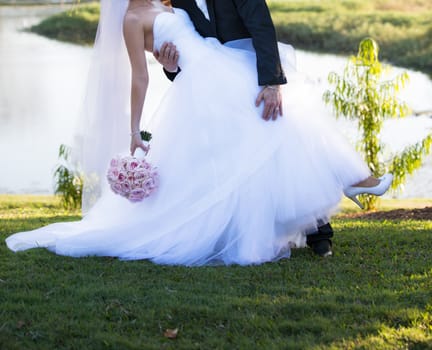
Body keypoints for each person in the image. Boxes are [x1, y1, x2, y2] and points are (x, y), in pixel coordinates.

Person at [5, 0, 393, 266]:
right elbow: (152, 68)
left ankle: (344, 191)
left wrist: (271, 80)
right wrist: (164, 72)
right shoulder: (152, 10)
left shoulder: (166, 4)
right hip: (206, 80)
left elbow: (260, 25)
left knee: (285, 118)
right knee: (276, 129)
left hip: (231, 66)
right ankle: (348, 183)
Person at [154, 0, 327, 257]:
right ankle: (247, 230)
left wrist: (271, 83)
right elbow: (189, 47)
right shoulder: (178, 1)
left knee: (286, 145)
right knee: (237, 162)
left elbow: (262, 27)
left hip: (255, 77)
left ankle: (319, 232)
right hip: (217, 92)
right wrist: (170, 67)